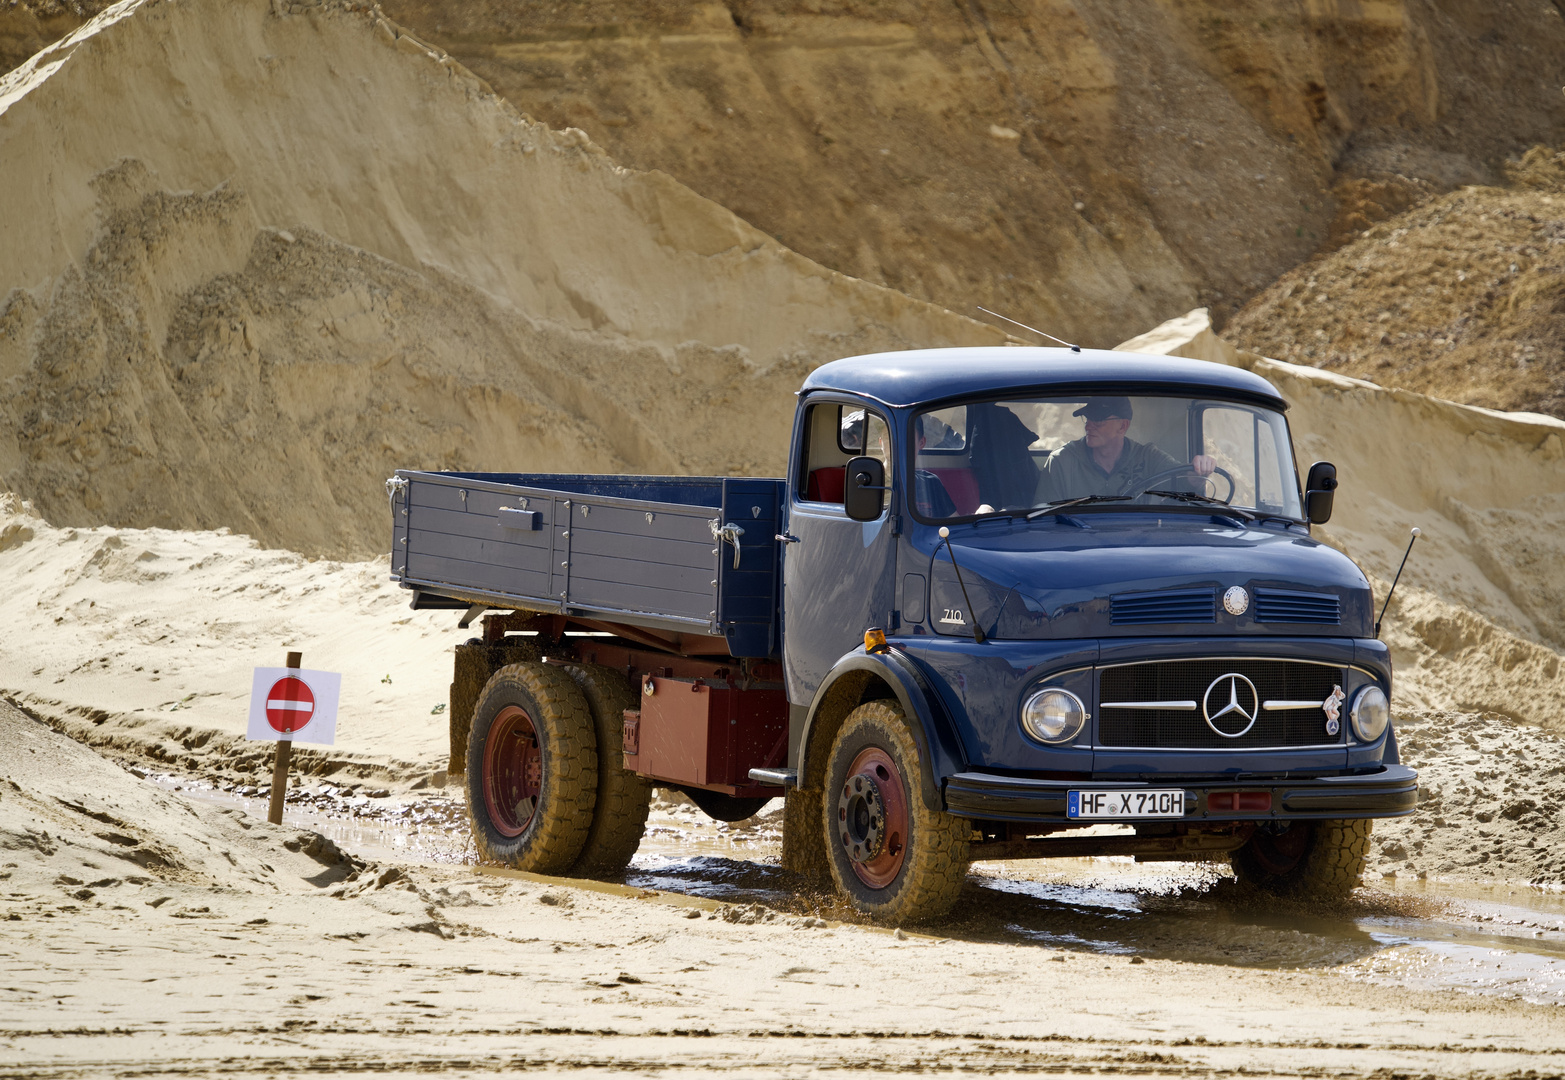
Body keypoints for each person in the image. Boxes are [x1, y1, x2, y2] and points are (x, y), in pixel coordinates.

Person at [1035, 397, 1215, 504]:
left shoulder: (1148, 457)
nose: (1089, 426)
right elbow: (1043, 518)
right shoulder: (1062, 460)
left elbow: (1182, 481)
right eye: (1087, 419)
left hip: (1137, 545)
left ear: (1123, 426)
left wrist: (1197, 471)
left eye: (1098, 420)